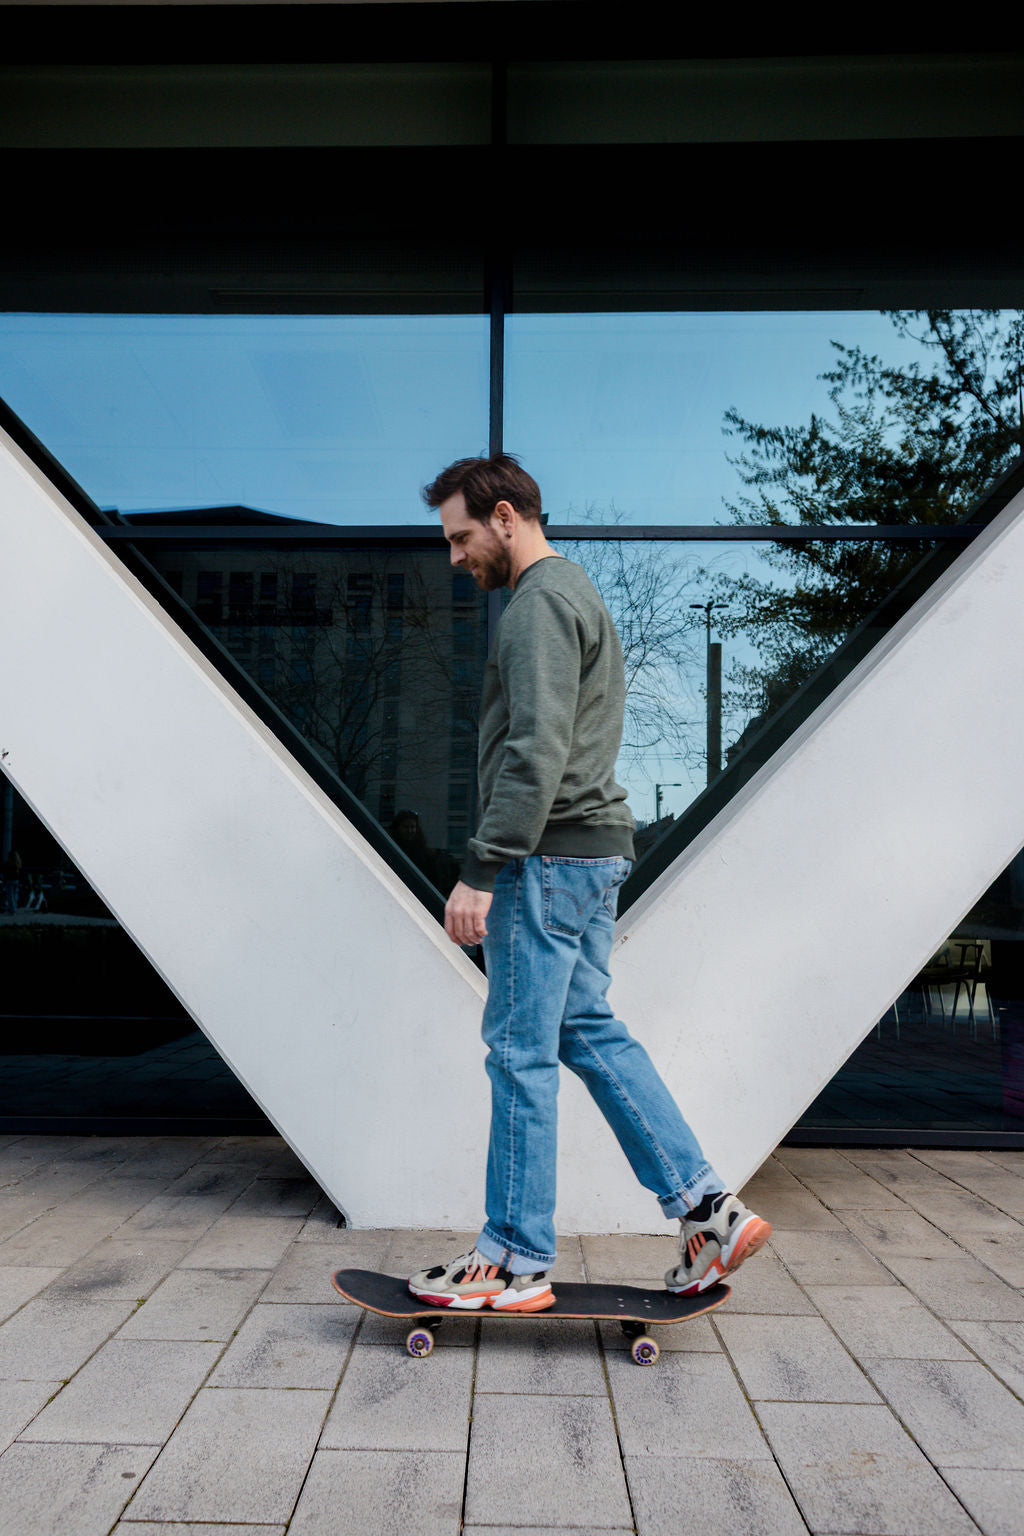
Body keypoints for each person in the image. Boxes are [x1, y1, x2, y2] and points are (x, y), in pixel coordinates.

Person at [408, 454, 770, 1313]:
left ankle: (512, 1256)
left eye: (461, 537)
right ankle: (707, 1209)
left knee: (519, 1053)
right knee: (587, 1031)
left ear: (504, 518)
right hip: (594, 851)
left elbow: (535, 750)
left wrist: (482, 869)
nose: (456, 558)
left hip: (546, 858)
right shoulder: (577, 594)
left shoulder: (536, 607)